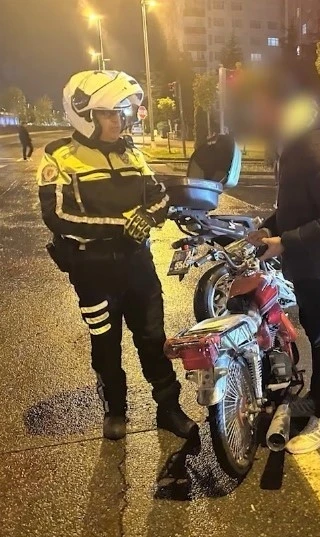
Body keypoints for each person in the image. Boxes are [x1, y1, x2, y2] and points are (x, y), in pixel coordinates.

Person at [37, 70, 197, 441]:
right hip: (92, 271)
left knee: (154, 339)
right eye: (108, 114)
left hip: (138, 266)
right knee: (105, 343)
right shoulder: (60, 157)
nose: (117, 121)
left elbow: (160, 197)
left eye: (120, 113)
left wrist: (149, 217)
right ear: (84, 114)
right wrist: (123, 225)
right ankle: (115, 410)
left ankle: (169, 408)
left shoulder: (131, 153)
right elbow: (56, 215)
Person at [246, 67, 320, 455]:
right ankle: (317, 398)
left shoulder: (319, 149)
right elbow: (294, 207)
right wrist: (267, 228)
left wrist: (285, 242)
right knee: (313, 330)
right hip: (307, 258)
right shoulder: (295, 147)